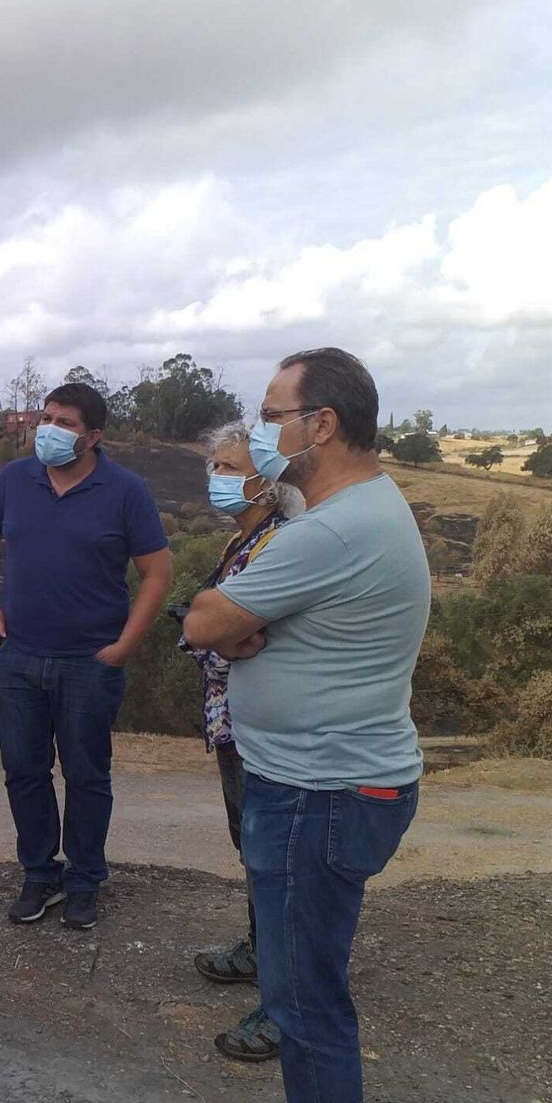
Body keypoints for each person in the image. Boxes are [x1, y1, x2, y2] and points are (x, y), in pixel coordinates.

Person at [184, 349, 428, 1103]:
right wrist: (241, 626)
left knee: (304, 1000)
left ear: (320, 424)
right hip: (330, 783)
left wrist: (231, 625)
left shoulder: (331, 530)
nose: (259, 431)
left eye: (270, 414)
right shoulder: (363, 507)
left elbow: (204, 619)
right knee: (309, 984)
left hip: (317, 793)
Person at [0, 382, 173, 930]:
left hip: (89, 663)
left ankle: (85, 880)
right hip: (16, 657)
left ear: (93, 436)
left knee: (87, 776)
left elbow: (158, 573)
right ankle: (40, 875)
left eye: (64, 423)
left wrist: (125, 646)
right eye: (47, 417)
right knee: (24, 773)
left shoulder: (125, 491)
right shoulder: (14, 480)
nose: (49, 430)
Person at [180, 422, 304, 1064]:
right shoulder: (243, 538)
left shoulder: (281, 542)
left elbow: (245, 633)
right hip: (235, 718)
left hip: (263, 721)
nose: (217, 477)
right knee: (252, 845)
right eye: (216, 465)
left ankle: (289, 1002)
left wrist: (208, 627)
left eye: (230, 467)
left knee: (275, 855)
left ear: (268, 479)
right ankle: (262, 954)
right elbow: (219, 627)